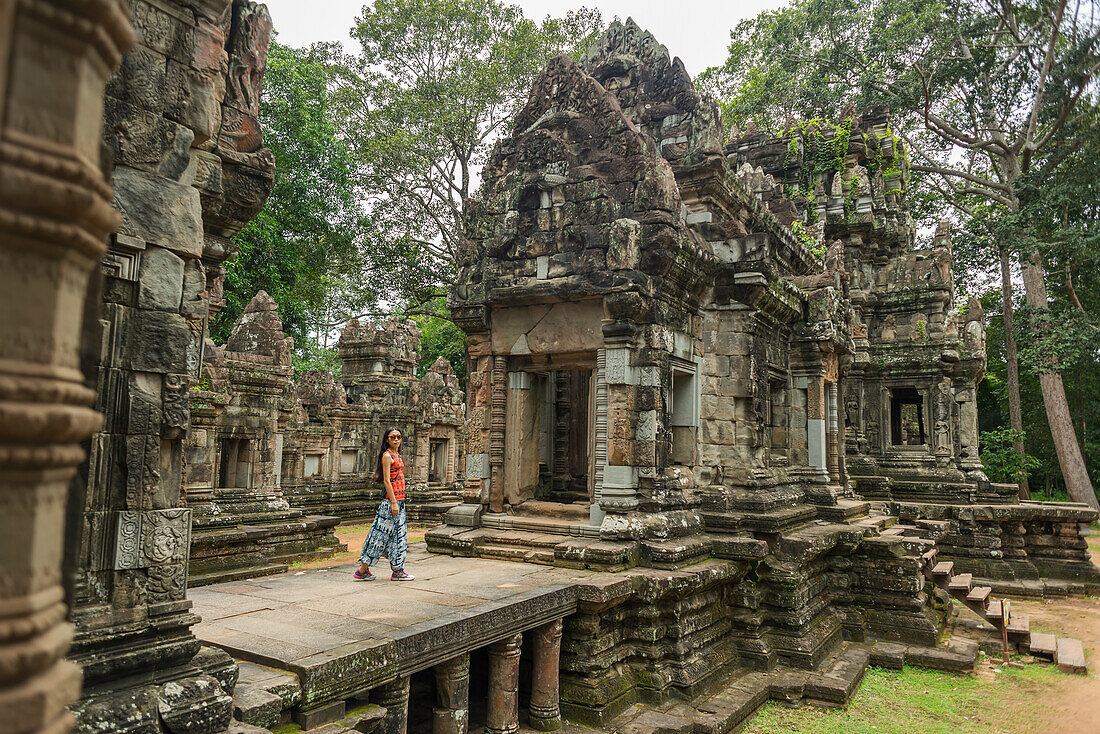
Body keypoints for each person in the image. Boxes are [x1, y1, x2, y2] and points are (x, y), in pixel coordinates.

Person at [354, 427, 414, 581]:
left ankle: (398, 570)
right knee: (379, 535)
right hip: (390, 503)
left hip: (399, 502)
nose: (396, 439)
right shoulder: (387, 456)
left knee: (399, 536)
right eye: (392, 437)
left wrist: (399, 502)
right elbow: (387, 480)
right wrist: (393, 502)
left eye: (398, 436)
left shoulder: (398, 455)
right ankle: (362, 570)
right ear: (387, 439)